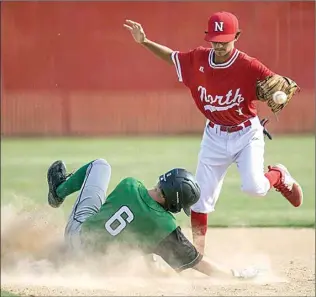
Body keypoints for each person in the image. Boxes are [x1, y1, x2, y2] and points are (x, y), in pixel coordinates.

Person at [123, 11, 303, 254]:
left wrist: (277, 90)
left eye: (225, 39)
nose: (219, 44)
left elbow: (278, 86)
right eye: (215, 39)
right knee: (200, 199)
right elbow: (171, 57)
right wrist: (144, 41)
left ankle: (279, 175)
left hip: (246, 134)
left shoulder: (249, 66)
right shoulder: (197, 59)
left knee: (255, 188)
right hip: (214, 137)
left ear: (237, 36)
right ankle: (198, 253)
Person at [46, 159, 258, 279]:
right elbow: (198, 262)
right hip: (97, 268)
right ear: (175, 203)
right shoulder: (164, 225)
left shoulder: (130, 184)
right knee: (139, 237)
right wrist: (234, 274)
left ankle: (59, 190)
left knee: (101, 165)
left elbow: (127, 219)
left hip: (77, 238)